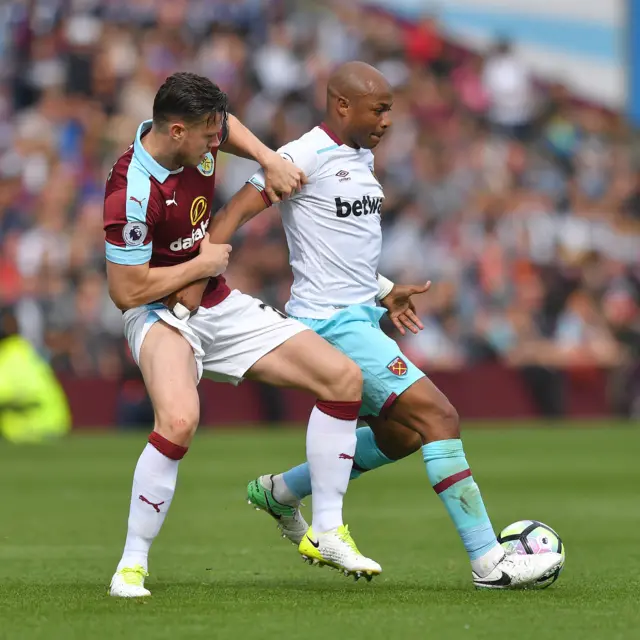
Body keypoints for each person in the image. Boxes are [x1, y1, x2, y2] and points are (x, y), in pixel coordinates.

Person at [170, 62, 562, 589]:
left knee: (400, 435)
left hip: (362, 316)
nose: (387, 120)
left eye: (390, 109)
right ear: (341, 105)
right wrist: (197, 287)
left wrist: (384, 289)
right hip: (330, 325)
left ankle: (282, 491)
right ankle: (489, 560)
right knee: (439, 417)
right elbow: (228, 216)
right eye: (379, 109)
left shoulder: (361, 157)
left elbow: (339, 246)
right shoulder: (302, 155)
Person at [104, 72, 381, 598]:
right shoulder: (130, 191)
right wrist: (198, 265)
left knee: (343, 378)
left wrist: (269, 157)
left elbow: (227, 126)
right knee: (180, 420)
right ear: (178, 131)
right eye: (209, 135)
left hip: (217, 301)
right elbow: (125, 289)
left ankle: (327, 529)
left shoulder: (195, 136)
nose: (218, 143)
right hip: (160, 313)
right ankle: (131, 565)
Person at [0, 306, 71, 443]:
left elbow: (15, 392)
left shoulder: (12, 355)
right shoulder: (22, 350)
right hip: (47, 426)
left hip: (37, 430)